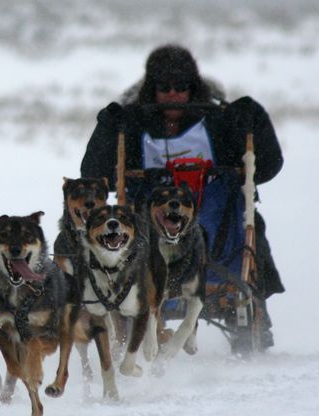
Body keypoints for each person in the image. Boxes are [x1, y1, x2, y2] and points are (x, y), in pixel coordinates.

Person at [80, 44, 284, 350]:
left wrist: (258, 121)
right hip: (151, 224)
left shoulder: (218, 122)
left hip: (216, 219)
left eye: (181, 87)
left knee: (251, 222)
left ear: (194, 88)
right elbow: (96, 179)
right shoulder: (134, 126)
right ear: (152, 89)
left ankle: (253, 312)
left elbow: (265, 168)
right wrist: (107, 130)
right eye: (164, 87)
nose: (173, 94)